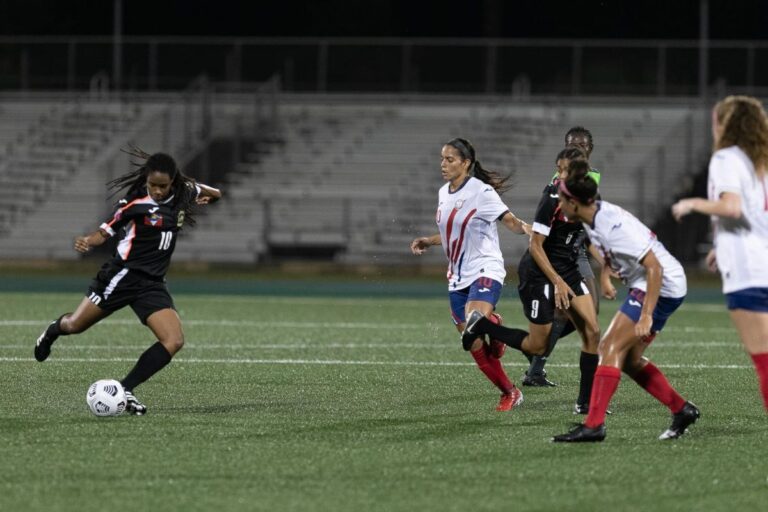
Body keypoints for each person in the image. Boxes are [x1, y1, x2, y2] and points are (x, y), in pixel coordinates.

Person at [34, 149, 222, 415]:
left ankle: (125, 389)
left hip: (152, 284)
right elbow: (104, 231)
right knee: (75, 325)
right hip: (121, 277)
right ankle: (53, 330)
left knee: (174, 340)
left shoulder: (184, 191)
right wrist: (88, 241)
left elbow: (215, 192)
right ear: (146, 180)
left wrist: (208, 197)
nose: (156, 190)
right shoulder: (134, 204)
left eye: (162, 186)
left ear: (173, 182)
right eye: (152, 185)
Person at [550, 160, 698, 442]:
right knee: (628, 359)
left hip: (662, 284)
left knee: (608, 346)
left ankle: (594, 425)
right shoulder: (592, 215)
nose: (559, 206)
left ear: (575, 202)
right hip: (652, 283)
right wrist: (606, 274)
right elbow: (603, 247)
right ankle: (682, 410)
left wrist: (646, 316)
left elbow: (654, 267)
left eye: (562, 200)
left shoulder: (613, 227)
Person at [463, 147, 600, 414]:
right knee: (537, 345)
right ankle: (481, 326)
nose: (559, 176)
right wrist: (557, 281)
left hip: (568, 268)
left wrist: (608, 265)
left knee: (592, 331)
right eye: (557, 169)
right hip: (538, 270)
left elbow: (589, 234)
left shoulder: (589, 195)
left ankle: (585, 404)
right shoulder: (551, 197)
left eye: (565, 171)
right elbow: (536, 247)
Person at [410, 138, 531, 411]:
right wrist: (429, 241)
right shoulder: (443, 193)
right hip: (456, 277)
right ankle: (509, 392)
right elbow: (452, 232)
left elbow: (509, 221)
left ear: (466, 163)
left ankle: (493, 324)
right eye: (442, 158)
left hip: (485, 269)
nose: (443, 164)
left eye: (450, 159)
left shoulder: (482, 191)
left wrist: (530, 229)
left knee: (475, 324)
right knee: (472, 342)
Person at [672, 95, 768, 412]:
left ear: (727, 125)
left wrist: (692, 203)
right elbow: (754, 215)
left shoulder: (727, 158)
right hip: (761, 262)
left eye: (717, 120)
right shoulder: (760, 161)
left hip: (747, 273)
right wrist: (720, 245)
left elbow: (731, 206)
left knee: (764, 363)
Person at [524, 126, 603, 390]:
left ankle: (537, 361)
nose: (577, 148)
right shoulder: (561, 176)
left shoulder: (592, 176)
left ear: (590, 148)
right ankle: (537, 363)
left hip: (578, 247)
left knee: (589, 313)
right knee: (572, 314)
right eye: (572, 144)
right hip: (565, 253)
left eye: (581, 145)